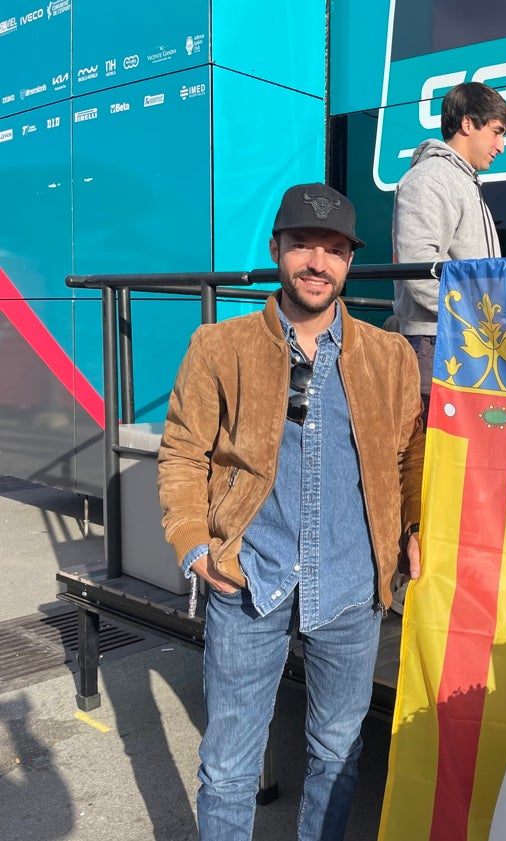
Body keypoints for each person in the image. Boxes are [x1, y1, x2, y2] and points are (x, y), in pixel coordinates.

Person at [157, 182, 425, 841]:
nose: (317, 261)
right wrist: (194, 542)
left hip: (351, 585)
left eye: (333, 249)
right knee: (226, 764)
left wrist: (414, 525)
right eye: (303, 243)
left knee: (338, 753)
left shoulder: (388, 355)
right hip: (249, 577)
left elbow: (411, 454)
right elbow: (182, 450)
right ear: (276, 248)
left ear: (349, 261)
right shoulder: (219, 346)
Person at [392, 81, 506, 419]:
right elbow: (420, 273)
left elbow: (458, 268)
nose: (501, 146)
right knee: (430, 463)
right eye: (497, 132)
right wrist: (479, 316)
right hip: (436, 345)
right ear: (467, 123)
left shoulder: (460, 180)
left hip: (457, 341)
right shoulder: (430, 179)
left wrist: (505, 271)